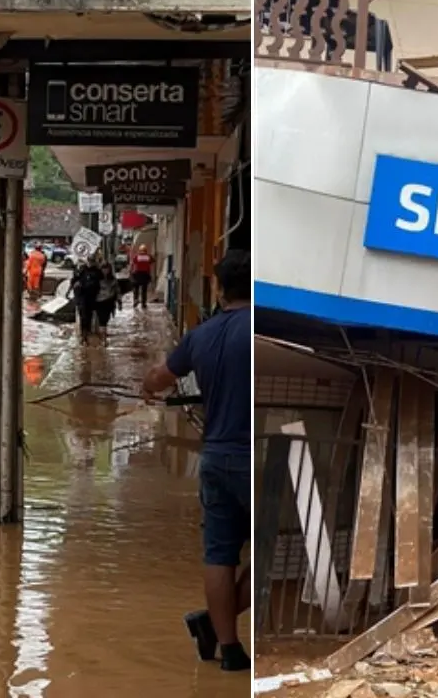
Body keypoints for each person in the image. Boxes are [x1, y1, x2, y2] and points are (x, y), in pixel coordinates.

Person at [141, 249, 251, 672]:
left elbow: (158, 377)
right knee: (277, 550)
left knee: (220, 554)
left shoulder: (200, 336)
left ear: (219, 290)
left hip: (216, 457)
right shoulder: (259, 328)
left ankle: (229, 649)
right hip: (254, 456)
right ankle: (212, 622)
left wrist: (148, 387)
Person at [66, 258, 103, 345]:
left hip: (92, 297)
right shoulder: (82, 270)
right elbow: (74, 280)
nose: (90, 263)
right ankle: (84, 335)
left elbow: (102, 283)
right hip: (82, 296)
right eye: (89, 261)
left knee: (89, 315)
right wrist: (69, 291)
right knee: (83, 315)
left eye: (92, 261)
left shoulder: (98, 272)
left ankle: (88, 332)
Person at [93, 260, 121, 342]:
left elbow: (117, 291)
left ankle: (103, 335)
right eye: (103, 268)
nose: (105, 270)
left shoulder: (113, 279)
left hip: (109, 302)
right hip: (99, 302)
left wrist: (119, 302)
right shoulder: (97, 279)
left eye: (107, 269)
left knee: (106, 319)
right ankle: (103, 338)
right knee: (102, 320)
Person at [129, 243, 153, 308]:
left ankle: (135, 300)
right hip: (145, 275)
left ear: (139, 250)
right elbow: (152, 261)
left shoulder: (137, 256)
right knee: (144, 290)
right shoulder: (148, 257)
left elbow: (133, 263)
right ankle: (143, 303)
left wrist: (131, 272)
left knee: (136, 289)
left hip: (137, 274)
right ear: (146, 250)